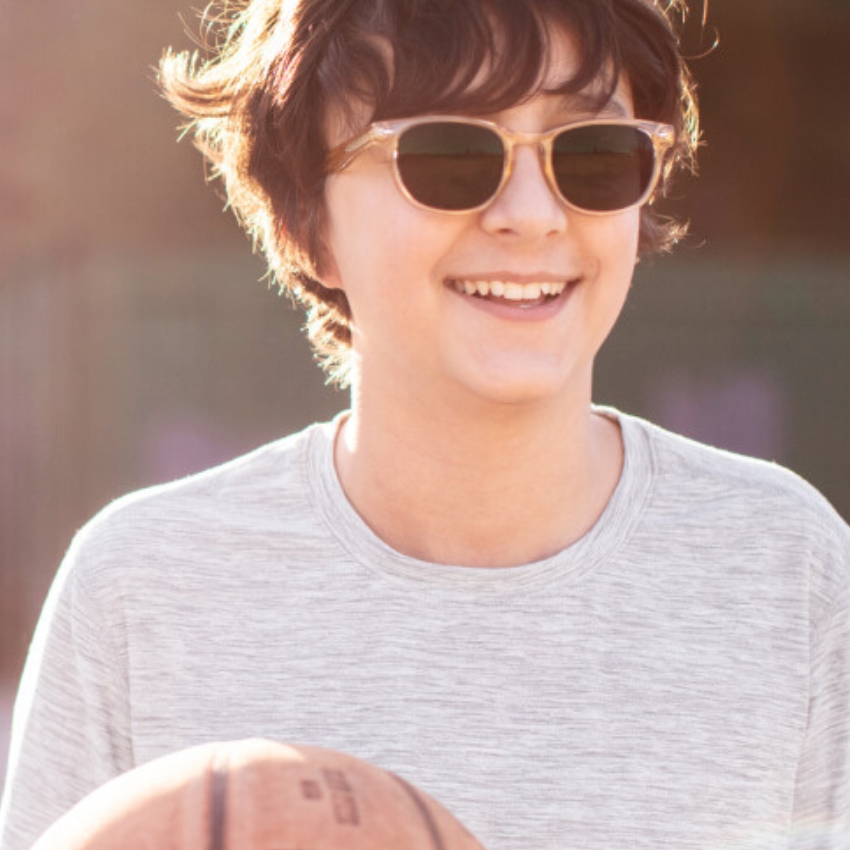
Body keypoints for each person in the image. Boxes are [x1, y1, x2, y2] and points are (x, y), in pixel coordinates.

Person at [1, 0, 848, 848]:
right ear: (309, 222)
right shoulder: (143, 589)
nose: (533, 214)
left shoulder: (787, 567)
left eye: (592, 153)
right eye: (448, 154)